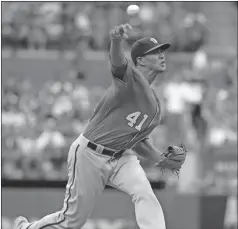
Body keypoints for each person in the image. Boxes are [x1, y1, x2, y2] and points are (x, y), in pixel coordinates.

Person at [14, 24, 186, 229]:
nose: (161, 55)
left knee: (144, 193)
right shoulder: (131, 79)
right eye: (155, 52)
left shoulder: (155, 105)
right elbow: (117, 63)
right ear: (140, 60)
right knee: (71, 221)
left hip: (122, 156)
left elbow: (137, 141)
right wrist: (115, 41)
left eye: (161, 51)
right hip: (90, 154)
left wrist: (160, 159)